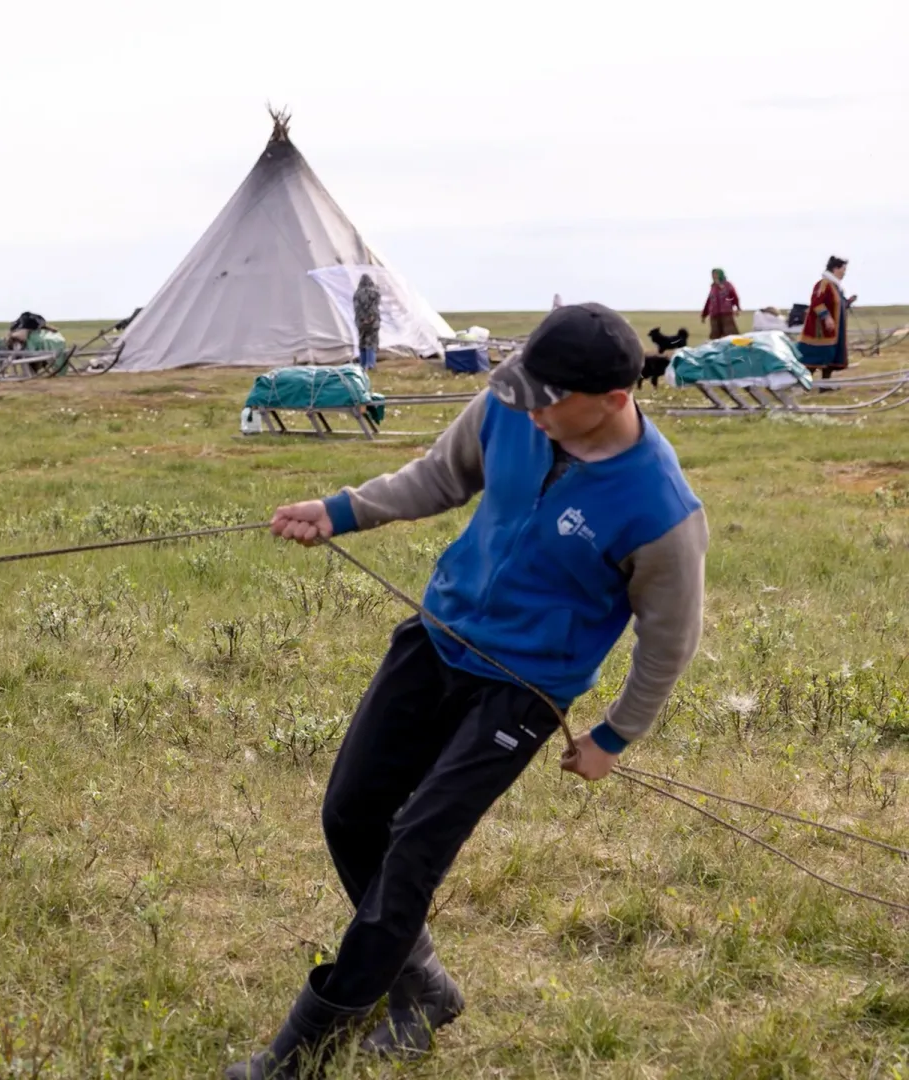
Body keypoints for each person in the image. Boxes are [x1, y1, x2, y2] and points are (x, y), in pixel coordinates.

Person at [226, 303, 707, 1080]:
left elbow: (670, 638)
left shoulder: (661, 510)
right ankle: (425, 988)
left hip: (520, 694)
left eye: (552, 401)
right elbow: (440, 476)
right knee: (350, 814)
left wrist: (614, 737)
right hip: (436, 639)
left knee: (416, 846)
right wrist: (339, 511)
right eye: (525, 391)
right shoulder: (513, 408)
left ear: (616, 398)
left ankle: (304, 1052)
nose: (531, 410)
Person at [799, 256, 852, 378]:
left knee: (830, 357)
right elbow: (817, 302)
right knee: (815, 358)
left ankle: (825, 384)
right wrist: (826, 317)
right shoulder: (823, 284)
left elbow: (838, 305)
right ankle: (805, 383)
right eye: (843, 269)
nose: (844, 272)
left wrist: (848, 302)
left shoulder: (836, 287)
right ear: (835, 269)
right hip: (821, 329)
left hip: (835, 330)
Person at [701, 268, 741, 340]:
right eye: (713, 275)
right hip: (714, 315)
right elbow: (709, 301)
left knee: (730, 335)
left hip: (726, 314)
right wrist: (704, 314)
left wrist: (737, 307)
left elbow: (734, 296)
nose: (714, 276)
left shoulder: (728, 285)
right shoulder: (713, 287)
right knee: (714, 337)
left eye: (715, 274)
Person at [353, 274, 382, 370]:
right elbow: (375, 305)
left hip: (360, 322)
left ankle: (363, 363)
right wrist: (370, 318)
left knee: (362, 341)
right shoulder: (374, 292)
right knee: (372, 342)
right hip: (372, 321)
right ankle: (370, 364)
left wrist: (362, 319)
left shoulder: (357, 294)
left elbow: (356, 308)